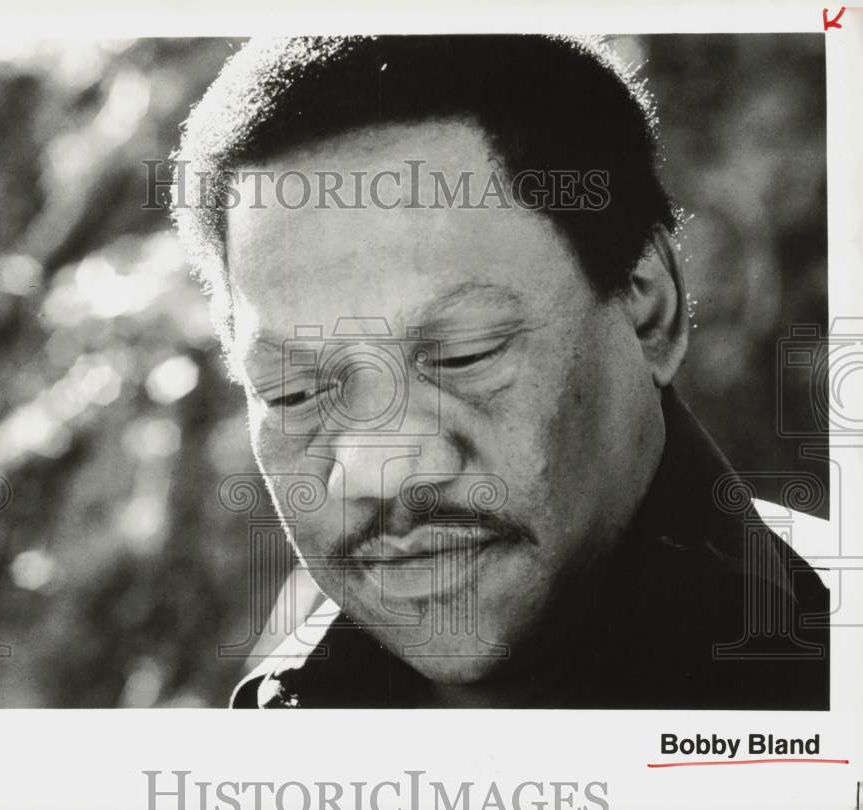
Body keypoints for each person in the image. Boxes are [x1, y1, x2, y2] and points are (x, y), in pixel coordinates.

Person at [171, 35, 829, 708]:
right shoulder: (283, 716)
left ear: (647, 306)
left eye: (463, 356)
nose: (378, 469)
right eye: (297, 392)